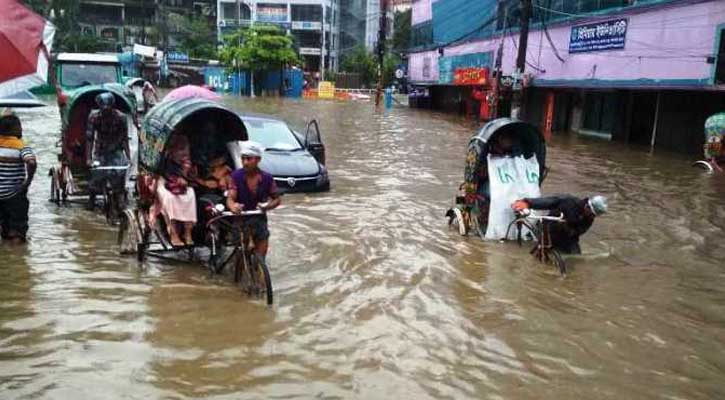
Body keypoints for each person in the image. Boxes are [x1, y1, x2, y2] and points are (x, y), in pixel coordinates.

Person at [227, 142, 281, 262]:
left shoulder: (267, 178)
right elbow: (230, 197)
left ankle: (258, 273)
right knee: (242, 257)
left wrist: (267, 206)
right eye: (243, 159)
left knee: (260, 259)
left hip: (259, 220)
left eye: (249, 159)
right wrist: (233, 206)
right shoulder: (236, 176)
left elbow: (277, 199)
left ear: (258, 160)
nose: (245, 162)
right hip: (241, 219)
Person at [512, 194, 608, 254]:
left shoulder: (589, 219)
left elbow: (579, 231)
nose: (592, 217)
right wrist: (528, 203)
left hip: (567, 237)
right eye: (591, 213)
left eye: (594, 215)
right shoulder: (569, 201)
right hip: (550, 227)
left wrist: (566, 228)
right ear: (587, 206)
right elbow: (548, 202)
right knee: (541, 250)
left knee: (576, 257)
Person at [0, 109, 37, 244]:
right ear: (15, 129)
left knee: (4, 229)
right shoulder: (21, 146)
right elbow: (31, 162)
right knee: (17, 230)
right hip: (14, 194)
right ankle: (18, 257)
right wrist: (28, 181)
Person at [154, 134, 196, 247]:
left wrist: (185, 171)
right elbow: (158, 174)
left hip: (179, 183)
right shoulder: (163, 157)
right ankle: (173, 231)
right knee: (169, 198)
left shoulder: (185, 160)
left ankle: (188, 232)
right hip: (163, 181)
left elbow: (190, 178)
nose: (183, 152)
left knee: (191, 194)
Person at [86, 92, 130, 168]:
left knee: (120, 170)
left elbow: (125, 139)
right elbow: (89, 138)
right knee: (97, 171)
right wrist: (89, 159)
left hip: (116, 150)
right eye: (103, 110)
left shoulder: (121, 118)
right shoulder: (94, 117)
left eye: (108, 110)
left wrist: (128, 158)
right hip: (100, 150)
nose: (105, 112)